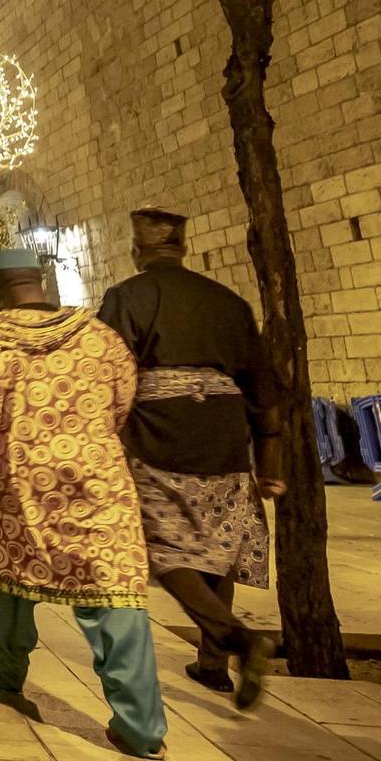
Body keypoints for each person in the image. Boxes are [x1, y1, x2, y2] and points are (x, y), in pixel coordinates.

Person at [0, 249, 168, 759]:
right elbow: (122, 400)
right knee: (116, 595)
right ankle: (140, 727)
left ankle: (5, 673)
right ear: (42, 279)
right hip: (98, 479)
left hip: (20, 481)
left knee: (8, 580)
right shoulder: (99, 337)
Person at [99, 205, 283, 709]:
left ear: (138, 250)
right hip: (225, 433)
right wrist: (271, 458)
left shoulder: (126, 298)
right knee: (218, 542)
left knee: (163, 547)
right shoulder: (227, 302)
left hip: (161, 434)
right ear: (182, 248)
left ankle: (238, 640)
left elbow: (108, 369)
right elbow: (261, 380)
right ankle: (210, 666)